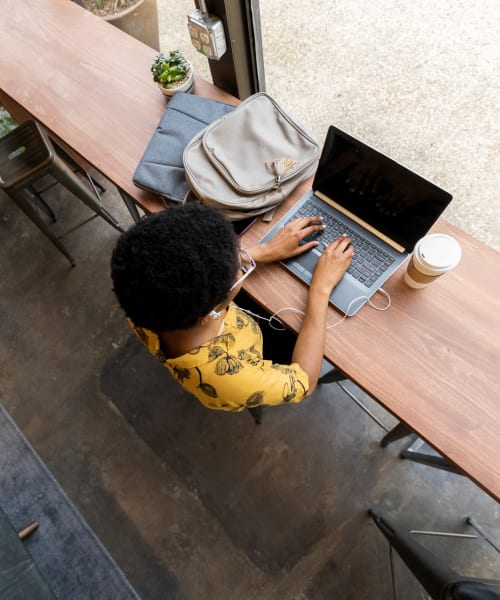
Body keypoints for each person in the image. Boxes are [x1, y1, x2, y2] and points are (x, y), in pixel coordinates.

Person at [110, 203, 353, 412]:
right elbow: (305, 383)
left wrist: (264, 251)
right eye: (241, 268)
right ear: (208, 313)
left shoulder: (144, 297)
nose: (244, 260)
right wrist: (321, 288)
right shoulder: (231, 378)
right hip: (256, 350)